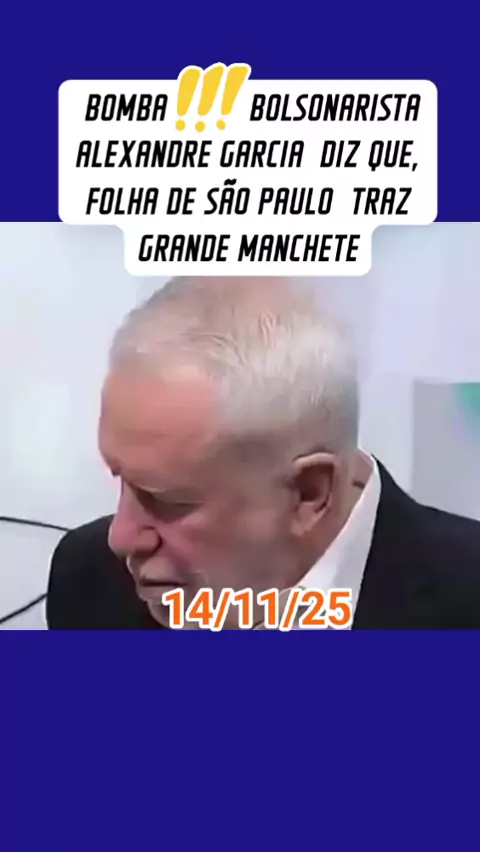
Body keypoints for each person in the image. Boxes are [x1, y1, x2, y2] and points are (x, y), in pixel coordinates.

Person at [46, 276, 480, 629]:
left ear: (309, 493)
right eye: (121, 478)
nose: (120, 538)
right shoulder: (89, 581)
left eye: (168, 501)